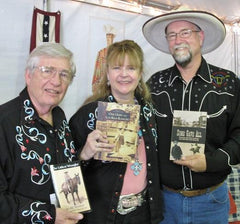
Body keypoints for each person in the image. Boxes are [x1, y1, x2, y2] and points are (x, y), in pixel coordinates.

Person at [142, 10, 240, 224]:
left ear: (200, 36)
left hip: (211, 201)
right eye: (172, 35)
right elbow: (142, 134)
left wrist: (211, 162)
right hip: (166, 203)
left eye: (185, 32)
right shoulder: (154, 85)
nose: (178, 40)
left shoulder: (228, 83)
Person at [69, 39, 163, 224]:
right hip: (102, 215)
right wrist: (84, 154)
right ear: (107, 73)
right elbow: (65, 170)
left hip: (143, 213)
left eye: (131, 68)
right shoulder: (89, 114)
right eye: (117, 68)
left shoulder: (149, 111)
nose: (124, 75)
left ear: (140, 73)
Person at [0, 42, 83, 224]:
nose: (56, 81)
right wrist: (50, 215)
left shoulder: (60, 117)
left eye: (64, 74)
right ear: (28, 75)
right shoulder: (3, 123)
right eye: (47, 71)